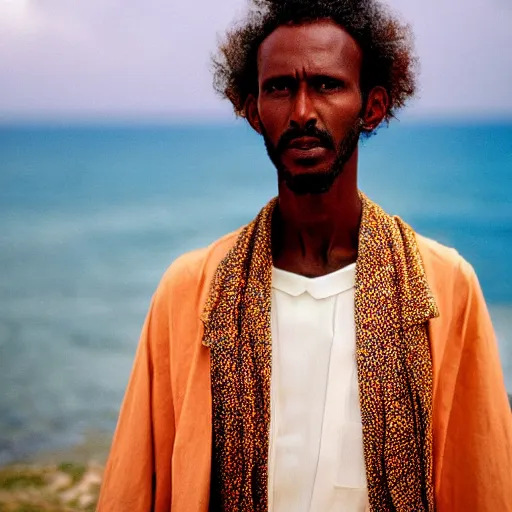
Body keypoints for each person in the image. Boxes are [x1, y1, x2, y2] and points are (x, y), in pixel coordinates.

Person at [97, 0, 512, 510]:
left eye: (327, 85)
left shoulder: (444, 288)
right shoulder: (190, 291)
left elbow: (482, 478)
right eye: (279, 88)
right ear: (253, 111)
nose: (301, 112)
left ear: (373, 107)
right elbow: (136, 484)